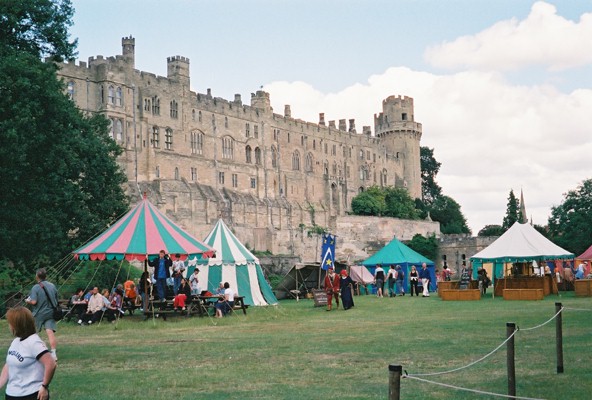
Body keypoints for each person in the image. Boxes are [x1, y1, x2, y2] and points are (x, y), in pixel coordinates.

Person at [0, 306, 56, 400]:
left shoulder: (34, 342)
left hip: (31, 394)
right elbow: (8, 365)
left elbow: (51, 364)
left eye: (11, 323)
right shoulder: (16, 341)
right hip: (12, 394)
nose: (9, 326)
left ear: (18, 324)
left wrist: (44, 387)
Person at [24, 268, 58, 361]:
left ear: (37, 276)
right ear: (45, 276)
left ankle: (35, 352)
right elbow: (56, 299)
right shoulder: (52, 285)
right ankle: (53, 353)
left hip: (39, 313)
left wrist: (28, 301)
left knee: (33, 333)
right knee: (50, 332)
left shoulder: (35, 287)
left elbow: (34, 302)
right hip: (51, 312)